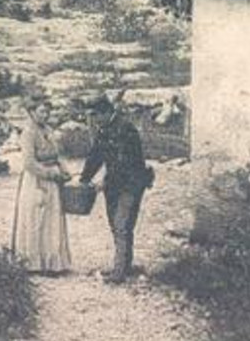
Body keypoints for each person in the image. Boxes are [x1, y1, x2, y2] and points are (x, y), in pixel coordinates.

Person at [78, 94, 155, 283]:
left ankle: (119, 272)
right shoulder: (104, 129)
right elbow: (95, 156)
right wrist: (84, 178)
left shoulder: (125, 129)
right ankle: (125, 265)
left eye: (95, 115)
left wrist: (105, 182)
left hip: (131, 184)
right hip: (114, 185)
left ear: (106, 113)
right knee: (116, 225)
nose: (93, 120)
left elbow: (125, 163)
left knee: (121, 225)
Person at [11, 94, 73, 274]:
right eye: (42, 111)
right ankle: (33, 263)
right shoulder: (28, 133)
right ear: (31, 112)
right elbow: (29, 163)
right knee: (35, 219)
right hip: (35, 181)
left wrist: (63, 169)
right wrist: (49, 173)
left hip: (53, 181)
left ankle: (52, 263)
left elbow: (57, 154)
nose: (45, 115)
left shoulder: (48, 130)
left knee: (52, 220)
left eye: (48, 111)